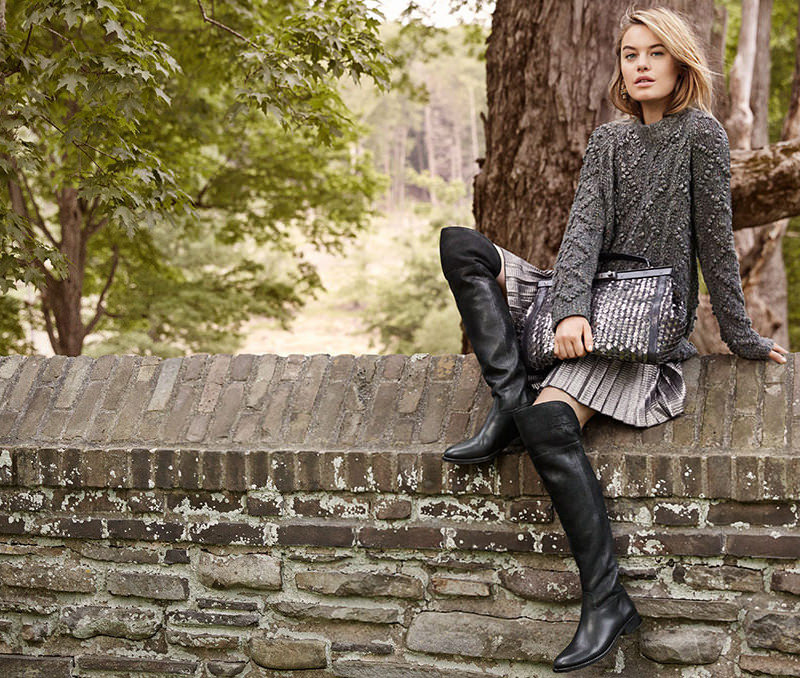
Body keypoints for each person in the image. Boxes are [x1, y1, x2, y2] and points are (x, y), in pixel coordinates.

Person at [438, 5, 790, 674]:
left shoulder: (701, 135)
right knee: (461, 246)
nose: (641, 65)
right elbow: (581, 233)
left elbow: (717, 243)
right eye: (631, 54)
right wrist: (570, 309)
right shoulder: (609, 140)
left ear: (680, 63)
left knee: (552, 423)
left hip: (643, 315)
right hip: (588, 299)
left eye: (656, 53)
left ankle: (606, 599)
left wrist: (740, 335)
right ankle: (509, 403)